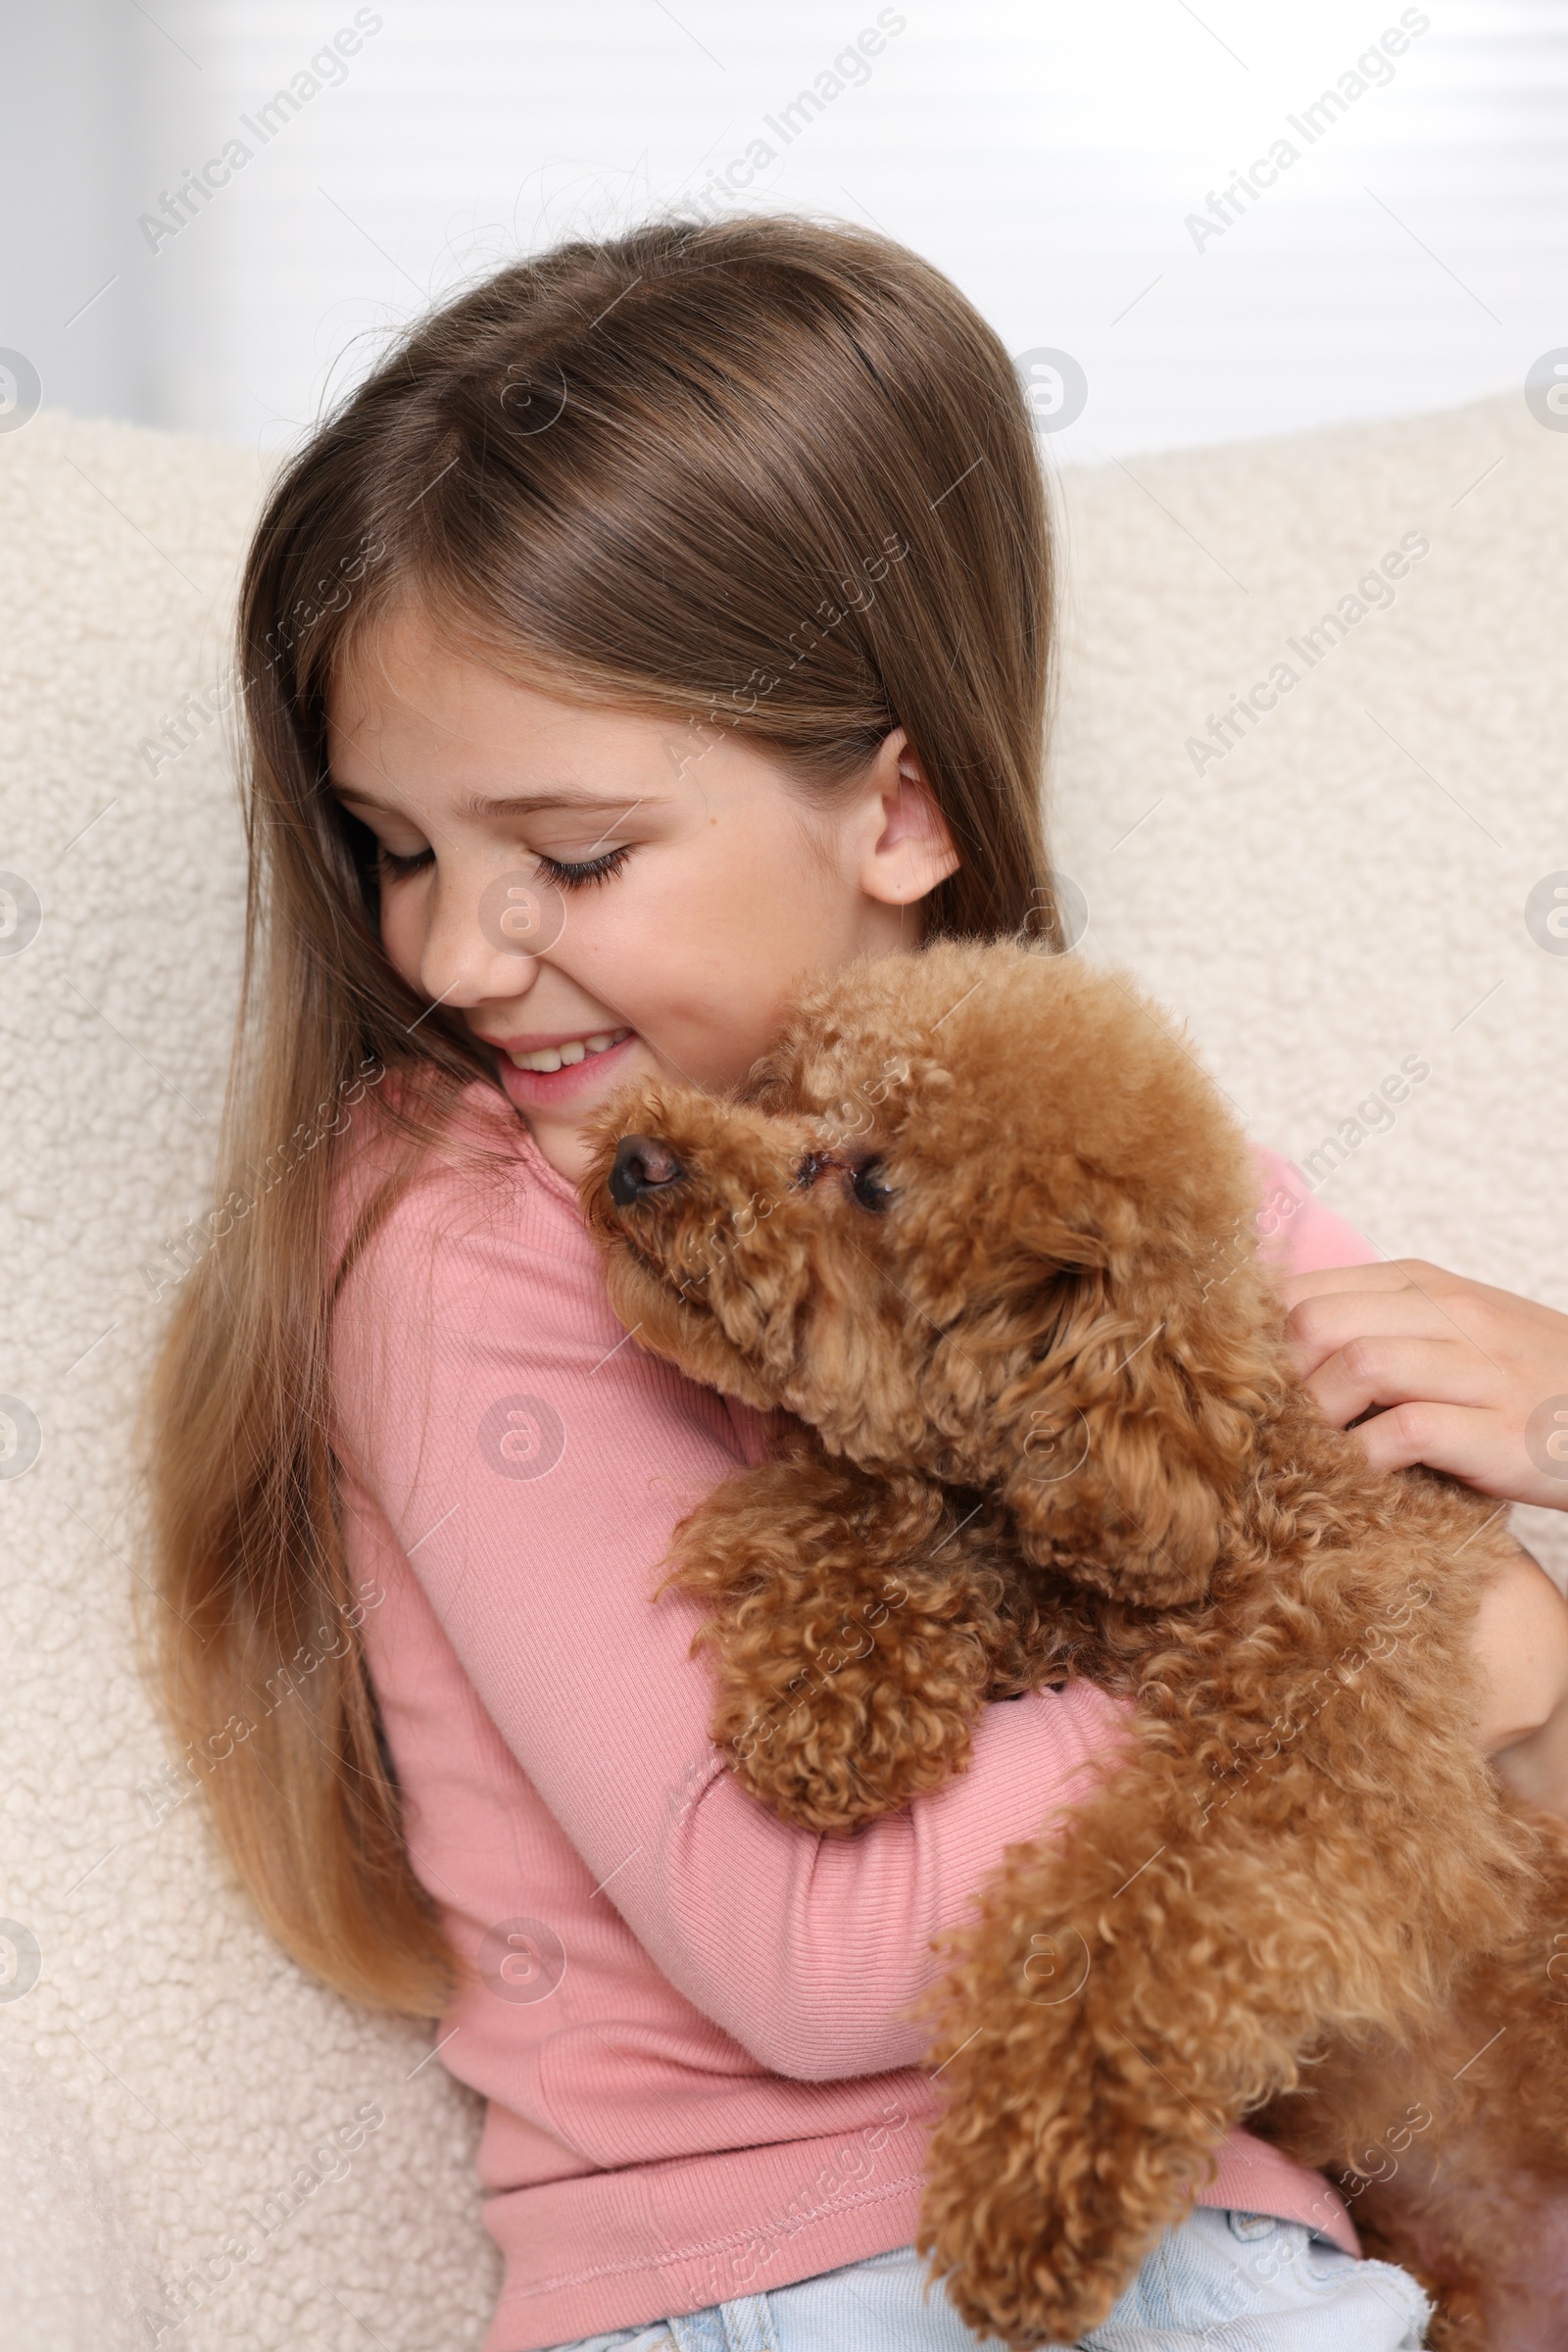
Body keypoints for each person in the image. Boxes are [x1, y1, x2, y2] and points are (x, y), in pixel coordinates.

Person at [140, 212, 1568, 2352]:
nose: (446, 954)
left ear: (893, 808)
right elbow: (806, 1959)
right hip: (788, 2284)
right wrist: (1408, 1674)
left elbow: (1492, 1816)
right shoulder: (466, 1230)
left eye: (572, 857)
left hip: (1242, 2252)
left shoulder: (1145, 1172)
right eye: (399, 850)